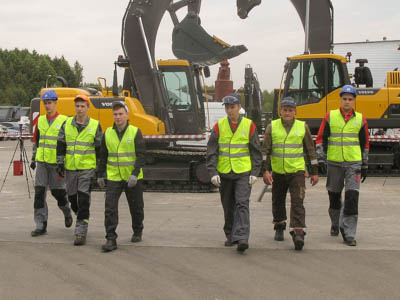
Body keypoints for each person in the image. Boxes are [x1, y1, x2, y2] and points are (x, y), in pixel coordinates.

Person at [206, 93, 262, 253]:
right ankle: (230, 234)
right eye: (227, 107)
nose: (230, 110)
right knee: (228, 205)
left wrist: (254, 172)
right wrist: (213, 172)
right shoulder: (219, 126)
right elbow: (212, 151)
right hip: (224, 173)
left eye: (232, 107)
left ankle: (242, 237)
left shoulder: (249, 125)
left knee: (242, 202)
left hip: (243, 172)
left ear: (239, 107)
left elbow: (256, 151)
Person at [262, 97, 319, 251]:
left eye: (290, 110)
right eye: (285, 110)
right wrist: (265, 171)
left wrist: (314, 172)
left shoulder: (302, 127)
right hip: (278, 171)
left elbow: (310, 151)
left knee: (298, 200)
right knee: (278, 200)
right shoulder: (272, 127)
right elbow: (265, 151)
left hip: (297, 171)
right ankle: (279, 225)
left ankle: (298, 232)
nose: (287, 113)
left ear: (295, 112)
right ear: (280, 111)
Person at [316, 85, 369, 246]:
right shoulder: (330, 117)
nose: (347, 102)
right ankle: (335, 222)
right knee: (334, 196)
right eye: (344, 99)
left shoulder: (360, 119)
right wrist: (320, 159)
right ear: (340, 100)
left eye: (350, 99)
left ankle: (349, 233)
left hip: (354, 163)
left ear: (354, 101)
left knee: (352, 197)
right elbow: (320, 139)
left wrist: (365, 163)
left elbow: (365, 143)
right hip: (334, 163)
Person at [98, 101, 146, 252]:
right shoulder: (107, 133)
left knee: (136, 207)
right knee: (110, 208)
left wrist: (134, 174)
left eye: (120, 114)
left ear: (127, 115)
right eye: (115, 114)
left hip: (132, 178)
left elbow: (141, 155)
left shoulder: (135, 132)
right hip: (114, 177)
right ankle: (111, 239)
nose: (118, 117)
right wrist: (100, 174)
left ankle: (137, 230)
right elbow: (103, 156)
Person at [57, 94, 102, 246]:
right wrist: (60, 161)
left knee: (83, 199)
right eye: (77, 106)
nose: (80, 109)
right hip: (70, 168)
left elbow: (100, 148)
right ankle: (80, 214)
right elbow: (61, 143)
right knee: (72, 199)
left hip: (87, 169)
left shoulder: (95, 125)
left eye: (83, 106)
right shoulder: (67, 123)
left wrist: (99, 169)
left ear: (88, 107)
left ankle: (80, 231)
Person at [30, 89, 73, 236]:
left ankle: (67, 211)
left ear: (55, 103)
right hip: (42, 162)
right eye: (45, 103)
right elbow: (37, 140)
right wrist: (33, 157)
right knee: (39, 193)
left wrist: (64, 163)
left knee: (58, 193)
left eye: (50, 103)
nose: (47, 106)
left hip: (56, 164)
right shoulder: (41, 120)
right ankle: (41, 224)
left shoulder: (64, 121)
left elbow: (67, 143)